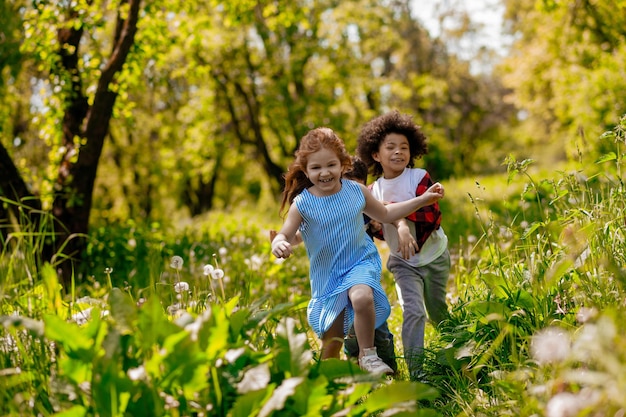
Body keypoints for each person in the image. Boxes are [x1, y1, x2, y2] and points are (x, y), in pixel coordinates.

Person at [271, 127, 444, 375]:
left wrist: (421, 199)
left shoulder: (357, 192)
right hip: (328, 276)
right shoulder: (303, 204)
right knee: (332, 344)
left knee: (362, 296)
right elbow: (285, 234)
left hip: (360, 262)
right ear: (306, 170)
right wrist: (278, 243)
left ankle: (368, 355)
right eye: (316, 168)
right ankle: (326, 389)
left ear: (343, 165)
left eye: (331, 165)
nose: (324, 173)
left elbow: (385, 213)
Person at [356, 110, 450, 380]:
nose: (399, 152)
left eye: (404, 147)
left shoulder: (419, 177)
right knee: (413, 311)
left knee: (437, 310)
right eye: (391, 147)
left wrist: (400, 221)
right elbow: (378, 225)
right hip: (402, 262)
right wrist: (389, 226)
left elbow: (431, 215)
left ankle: (456, 349)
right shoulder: (373, 191)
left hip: (434, 256)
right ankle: (418, 373)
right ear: (375, 154)